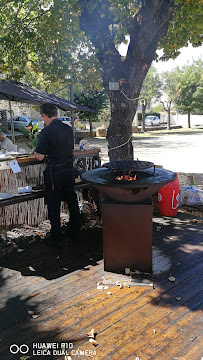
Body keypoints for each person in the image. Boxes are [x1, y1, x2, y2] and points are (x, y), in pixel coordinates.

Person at [34, 103, 80, 247]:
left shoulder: (46, 132)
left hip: (54, 172)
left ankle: (56, 237)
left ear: (44, 115)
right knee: (72, 201)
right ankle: (75, 231)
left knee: (53, 205)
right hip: (68, 170)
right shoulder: (67, 129)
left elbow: (40, 157)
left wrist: (35, 152)